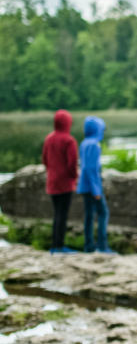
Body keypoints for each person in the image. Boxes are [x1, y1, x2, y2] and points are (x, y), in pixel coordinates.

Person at [42, 109, 79, 255]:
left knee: (56, 214)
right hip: (65, 183)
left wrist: (52, 172)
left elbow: (45, 160)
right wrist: (74, 177)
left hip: (51, 182)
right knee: (62, 215)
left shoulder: (49, 138)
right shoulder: (69, 140)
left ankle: (54, 245)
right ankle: (60, 246)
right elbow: (72, 163)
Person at [76, 116, 115, 254]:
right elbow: (91, 169)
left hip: (84, 186)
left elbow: (84, 166)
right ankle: (102, 246)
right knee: (103, 213)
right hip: (93, 187)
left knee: (88, 215)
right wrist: (97, 190)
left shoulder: (84, 143)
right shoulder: (95, 145)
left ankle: (88, 246)